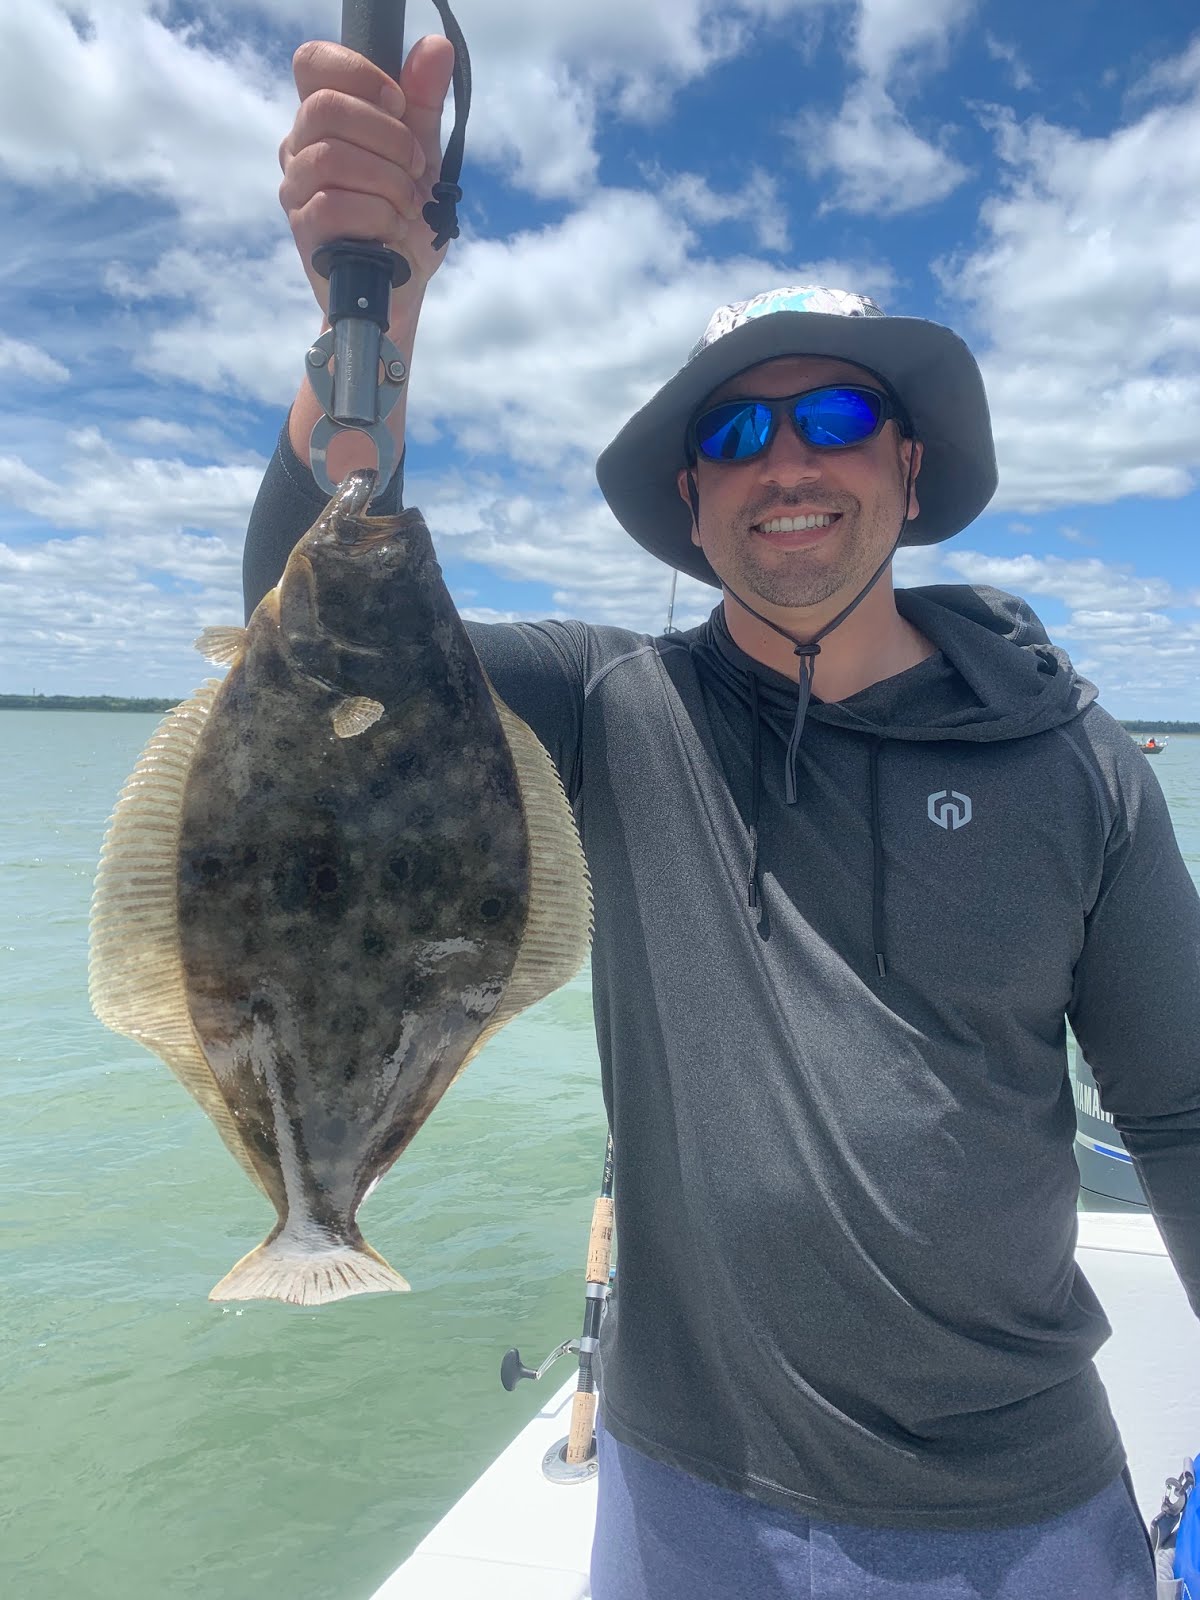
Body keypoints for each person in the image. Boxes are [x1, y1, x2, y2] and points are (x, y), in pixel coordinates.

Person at [244, 37, 1200, 1600]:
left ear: (906, 461)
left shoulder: (1077, 760)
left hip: (1020, 1512)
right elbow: (309, 668)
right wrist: (369, 324)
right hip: (687, 1502)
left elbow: (1180, 1110)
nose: (788, 463)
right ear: (693, 503)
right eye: (737, 437)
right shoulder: (616, 710)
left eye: (828, 416)